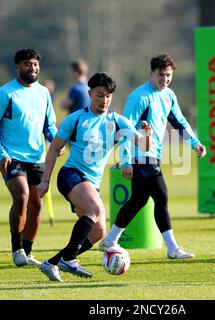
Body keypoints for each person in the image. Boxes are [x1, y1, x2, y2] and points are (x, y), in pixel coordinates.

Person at [37, 72, 152, 282]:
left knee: (98, 232)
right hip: (71, 175)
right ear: (90, 94)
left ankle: (52, 263)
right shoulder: (76, 118)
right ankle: (69, 259)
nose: (104, 100)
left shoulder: (118, 121)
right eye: (100, 95)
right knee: (95, 209)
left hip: (91, 183)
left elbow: (143, 145)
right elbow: (54, 149)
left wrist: (147, 133)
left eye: (108, 96)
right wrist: (45, 181)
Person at [98, 53, 207, 259]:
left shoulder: (169, 95)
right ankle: (173, 249)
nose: (165, 79)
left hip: (153, 154)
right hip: (140, 155)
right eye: (161, 75)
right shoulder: (139, 97)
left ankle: (110, 240)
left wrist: (195, 143)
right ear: (151, 73)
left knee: (138, 200)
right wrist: (126, 161)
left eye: (168, 76)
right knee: (161, 195)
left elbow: (178, 121)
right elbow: (124, 129)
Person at [0, 48, 57, 268]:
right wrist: (1, 155)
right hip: (12, 158)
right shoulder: (4, 94)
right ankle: (16, 249)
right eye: (27, 64)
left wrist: (55, 142)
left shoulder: (44, 92)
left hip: (37, 157)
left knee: (37, 204)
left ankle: (27, 252)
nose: (32, 68)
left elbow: (49, 125)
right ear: (17, 67)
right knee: (23, 197)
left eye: (35, 64)